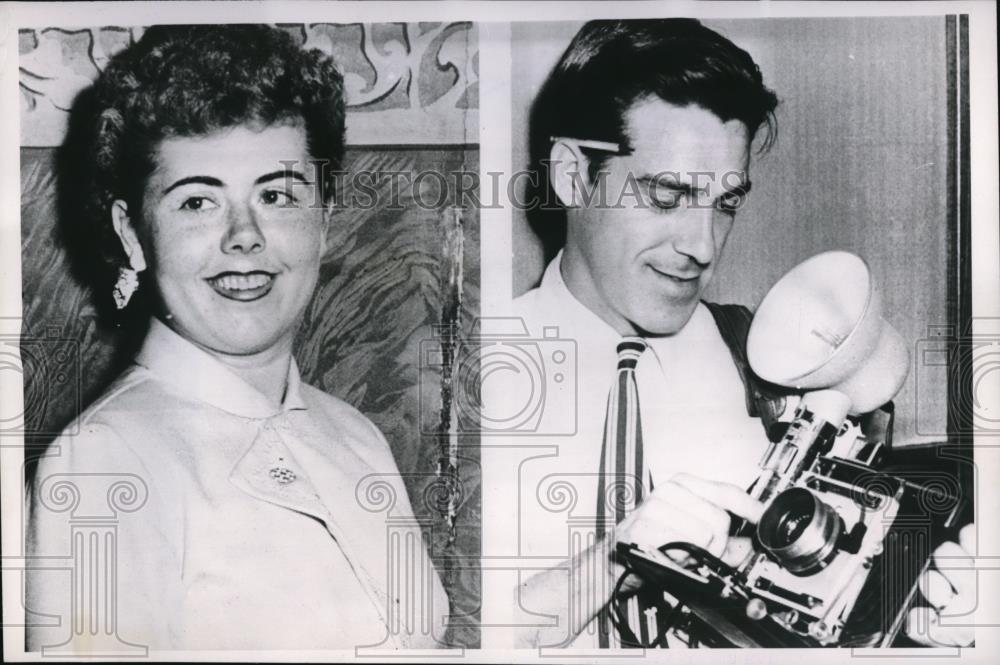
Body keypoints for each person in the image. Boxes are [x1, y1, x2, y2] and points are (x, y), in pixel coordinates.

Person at [499, 19, 975, 649]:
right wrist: (615, 558)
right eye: (668, 195)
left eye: (725, 204)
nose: (702, 247)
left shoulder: (767, 364)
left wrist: (934, 632)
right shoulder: (471, 377)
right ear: (571, 176)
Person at [25, 24, 448, 651]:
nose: (243, 237)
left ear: (324, 222)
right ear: (133, 235)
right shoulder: (100, 463)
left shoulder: (354, 434)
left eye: (276, 195)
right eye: (197, 202)